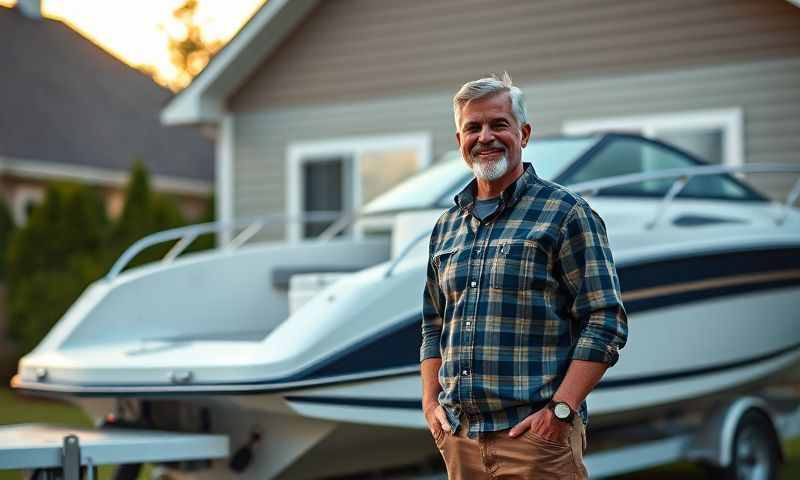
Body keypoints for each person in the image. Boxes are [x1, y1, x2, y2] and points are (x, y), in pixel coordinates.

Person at [419, 73, 629, 479]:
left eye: (499, 124)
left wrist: (560, 411)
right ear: (459, 139)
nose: (485, 137)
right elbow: (433, 323)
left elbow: (605, 320)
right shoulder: (446, 226)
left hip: (536, 442)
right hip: (460, 441)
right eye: (472, 127)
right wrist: (431, 404)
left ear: (524, 133)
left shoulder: (566, 213)